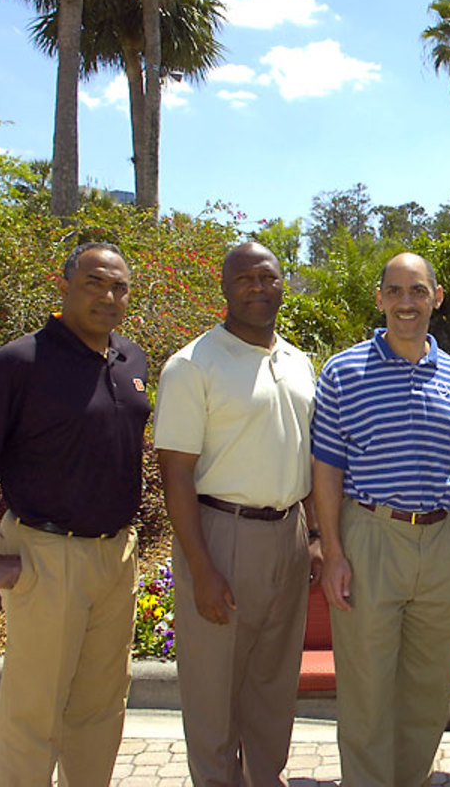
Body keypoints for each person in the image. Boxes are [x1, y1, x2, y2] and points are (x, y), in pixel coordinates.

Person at [0, 242, 149, 786]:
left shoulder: (132, 360)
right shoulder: (20, 361)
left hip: (114, 556)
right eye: (95, 283)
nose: (108, 295)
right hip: (46, 555)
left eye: (119, 286)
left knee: (100, 707)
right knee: (34, 715)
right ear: (66, 286)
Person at [153, 241, 318, 786]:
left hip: (289, 535)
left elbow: (309, 453)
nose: (256, 287)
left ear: (281, 284)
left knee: (273, 690)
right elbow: (175, 474)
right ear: (224, 288)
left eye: (266, 277)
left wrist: (313, 536)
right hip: (222, 535)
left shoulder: (298, 362)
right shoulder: (192, 364)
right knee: (213, 695)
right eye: (243, 279)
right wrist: (201, 567)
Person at [312, 252, 450, 787]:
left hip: (441, 540)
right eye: (396, 291)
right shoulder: (343, 371)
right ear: (380, 298)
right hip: (370, 537)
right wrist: (333, 550)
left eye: (418, 291)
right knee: (366, 691)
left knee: (429, 689)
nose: (407, 303)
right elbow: (327, 468)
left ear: (437, 297)